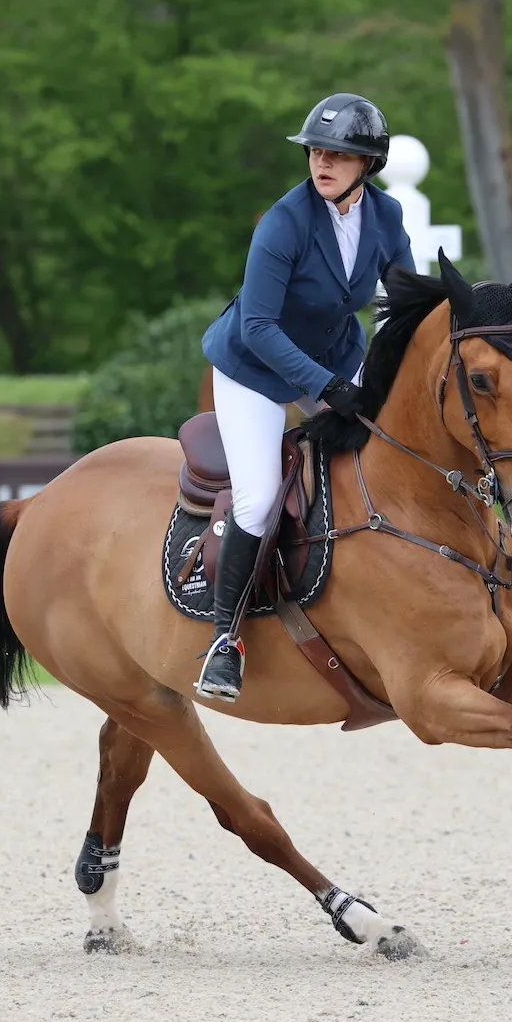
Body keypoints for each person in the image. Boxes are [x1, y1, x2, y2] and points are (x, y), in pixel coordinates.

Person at [194, 92, 415, 703]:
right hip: (253, 369)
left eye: (338, 155)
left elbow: (403, 304)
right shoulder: (286, 222)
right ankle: (225, 640)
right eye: (317, 151)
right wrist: (326, 388)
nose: (322, 163)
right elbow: (260, 327)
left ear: (366, 165)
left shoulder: (387, 217)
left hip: (336, 356)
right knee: (260, 498)